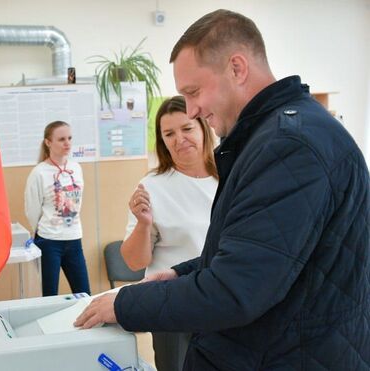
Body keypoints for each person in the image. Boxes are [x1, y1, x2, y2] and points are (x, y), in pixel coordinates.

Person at [76, 9, 369, 370]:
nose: (194, 109)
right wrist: (183, 274)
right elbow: (265, 251)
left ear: (237, 68)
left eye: (194, 92)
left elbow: (237, 290)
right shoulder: (274, 136)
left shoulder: (288, 147)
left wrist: (123, 305)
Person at [120, 96, 218, 371]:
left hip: (222, 300)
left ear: (203, 129)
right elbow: (135, 262)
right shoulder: (153, 186)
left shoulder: (229, 177)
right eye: (169, 134)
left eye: (187, 129)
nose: (179, 139)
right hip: (172, 305)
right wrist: (143, 223)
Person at [25, 121, 91, 296]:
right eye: (61, 139)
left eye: (69, 138)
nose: (67, 143)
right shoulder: (39, 173)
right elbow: (32, 210)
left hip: (74, 238)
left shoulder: (76, 168)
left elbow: (78, 202)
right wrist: (44, 231)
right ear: (48, 142)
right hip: (48, 241)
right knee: (49, 295)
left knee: (84, 293)